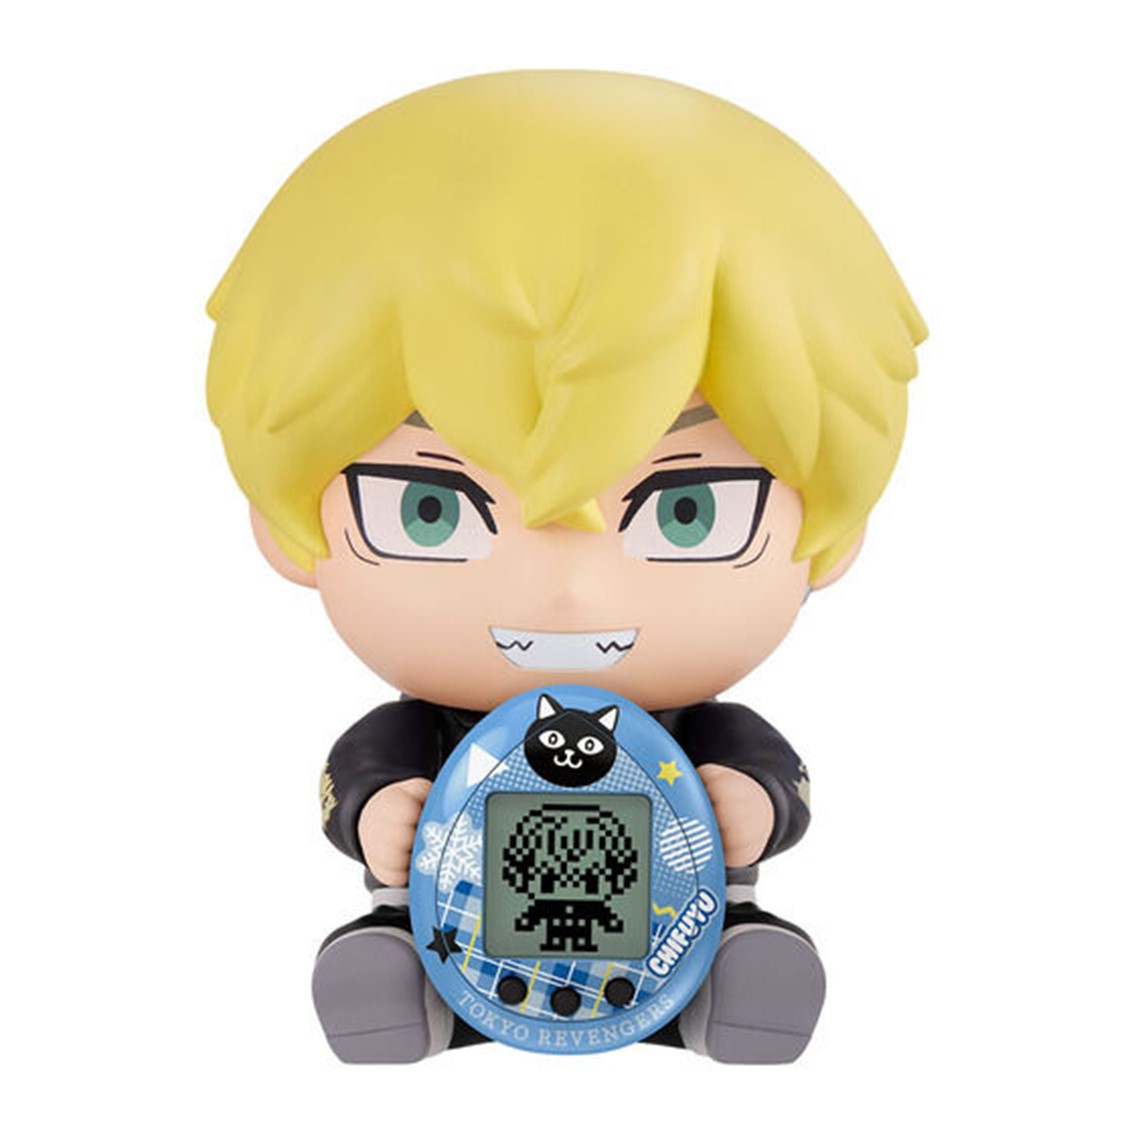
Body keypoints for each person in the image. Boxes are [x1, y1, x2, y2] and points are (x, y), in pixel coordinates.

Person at [206, 70, 926, 1063]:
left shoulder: (696, 729)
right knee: (401, 940)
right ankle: (407, 993)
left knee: (728, 941)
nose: (570, 589)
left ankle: (726, 989)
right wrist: (378, 813)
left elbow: (773, 770)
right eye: (428, 508)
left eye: (687, 511)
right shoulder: (430, 728)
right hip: (459, 942)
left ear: (836, 526)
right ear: (280, 523)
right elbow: (357, 770)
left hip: (671, 942)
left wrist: (753, 802)